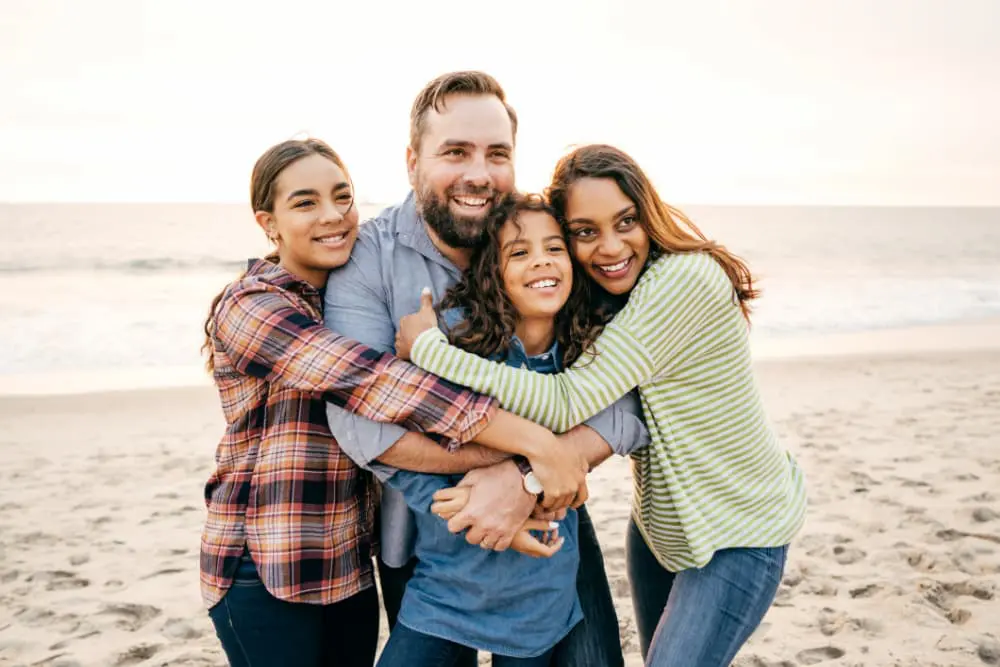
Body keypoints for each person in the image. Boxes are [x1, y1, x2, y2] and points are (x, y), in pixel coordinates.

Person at [397, 144, 809, 667]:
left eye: (626, 221)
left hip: (740, 528)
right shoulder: (615, 295)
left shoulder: (684, 280)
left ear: (648, 214)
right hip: (662, 529)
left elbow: (568, 400)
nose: (610, 247)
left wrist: (431, 351)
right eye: (586, 232)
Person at [199, 138, 588, 667]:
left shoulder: (343, 290)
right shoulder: (252, 306)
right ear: (268, 223)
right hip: (267, 563)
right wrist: (533, 449)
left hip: (348, 563)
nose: (333, 216)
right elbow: (375, 383)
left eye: (342, 196)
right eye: (305, 203)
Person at [324, 73, 647, 667]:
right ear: (412, 160)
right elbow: (362, 424)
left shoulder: (544, 245)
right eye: (455, 152)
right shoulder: (367, 260)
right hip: (426, 544)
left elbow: (625, 400)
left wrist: (525, 478)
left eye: (497, 154)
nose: (479, 173)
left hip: (551, 524)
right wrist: (524, 458)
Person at [377, 194, 647, 666]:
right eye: (519, 252)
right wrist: (467, 515)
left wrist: (529, 491)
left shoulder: (588, 360)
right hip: (444, 590)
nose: (540, 259)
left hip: (538, 596)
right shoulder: (462, 347)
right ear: (492, 273)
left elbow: (624, 423)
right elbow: (405, 455)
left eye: (554, 248)